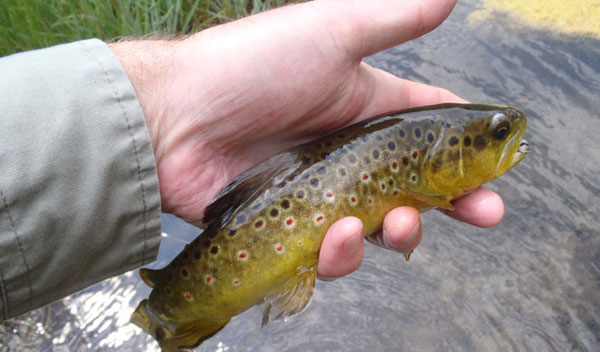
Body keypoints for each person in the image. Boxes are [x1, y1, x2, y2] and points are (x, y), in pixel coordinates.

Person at [0, 0, 504, 320]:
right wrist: (165, 118)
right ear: (440, 159)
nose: (508, 136)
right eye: (495, 134)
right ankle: (170, 316)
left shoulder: (415, 154)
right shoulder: (416, 157)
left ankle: (175, 313)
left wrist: (161, 122)